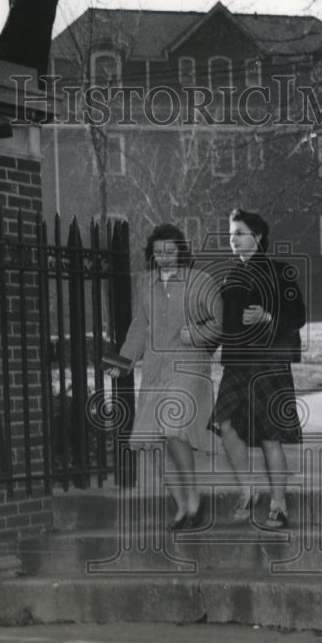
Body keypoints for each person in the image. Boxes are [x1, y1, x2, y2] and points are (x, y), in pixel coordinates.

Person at [106, 223, 221, 530]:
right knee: (156, 439)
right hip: (156, 370)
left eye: (170, 250)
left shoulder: (200, 281)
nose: (165, 257)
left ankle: (194, 499)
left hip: (189, 366)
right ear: (151, 254)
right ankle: (183, 508)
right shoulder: (145, 284)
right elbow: (139, 328)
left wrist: (195, 333)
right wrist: (123, 360)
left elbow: (221, 322)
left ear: (181, 250)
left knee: (173, 428)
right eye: (158, 252)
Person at [211, 208, 305, 529]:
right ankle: (248, 489)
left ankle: (279, 505)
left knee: (269, 437)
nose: (233, 239)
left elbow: (298, 316)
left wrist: (267, 317)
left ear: (258, 237)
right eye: (231, 233)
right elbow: (222, 325)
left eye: (239, 233)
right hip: (236, 364)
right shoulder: (230, 277)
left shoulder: (281, 272)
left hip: (269, 364)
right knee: (225, 423)